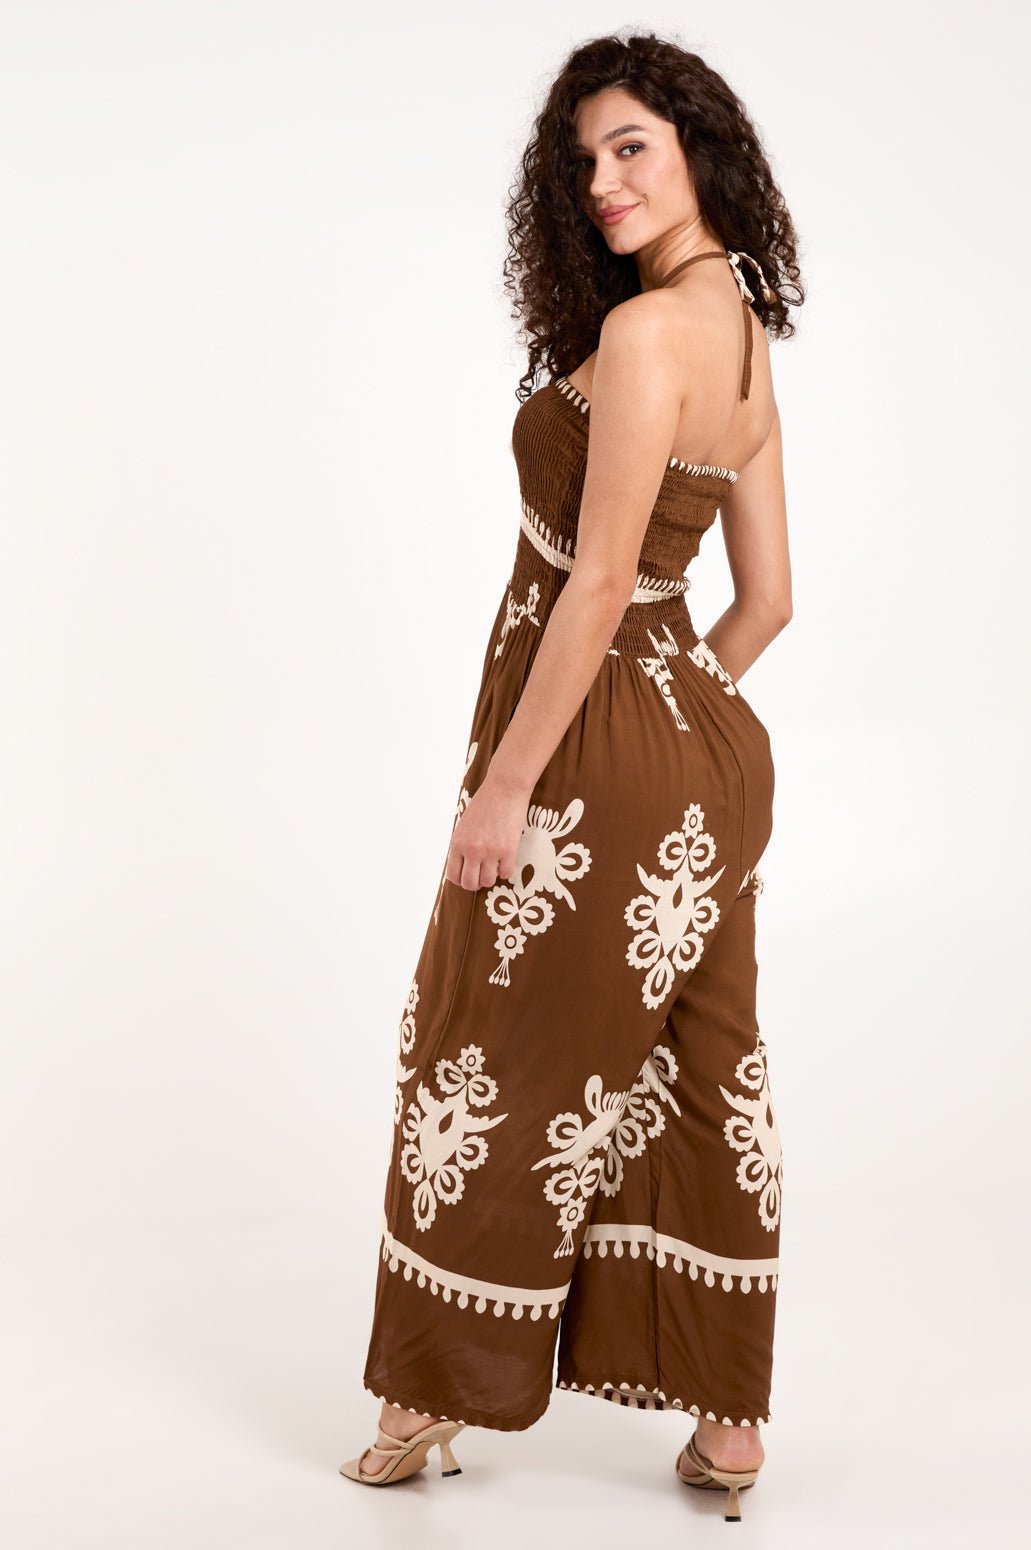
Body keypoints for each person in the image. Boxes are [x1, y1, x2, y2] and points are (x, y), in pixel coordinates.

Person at [340, 30, 804, 1520]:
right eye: (584, 158)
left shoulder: (648, 335)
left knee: (496, 1043)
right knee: (700, 1069)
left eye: (632, 148)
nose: (603, 181)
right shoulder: (740, 336)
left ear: (699, 149)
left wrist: (507, 791)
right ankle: (730, 1427)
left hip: (593, 762)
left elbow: (599, 585)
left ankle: (425, 1394)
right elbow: (767, 603)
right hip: (709, 766)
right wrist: (674, 727)